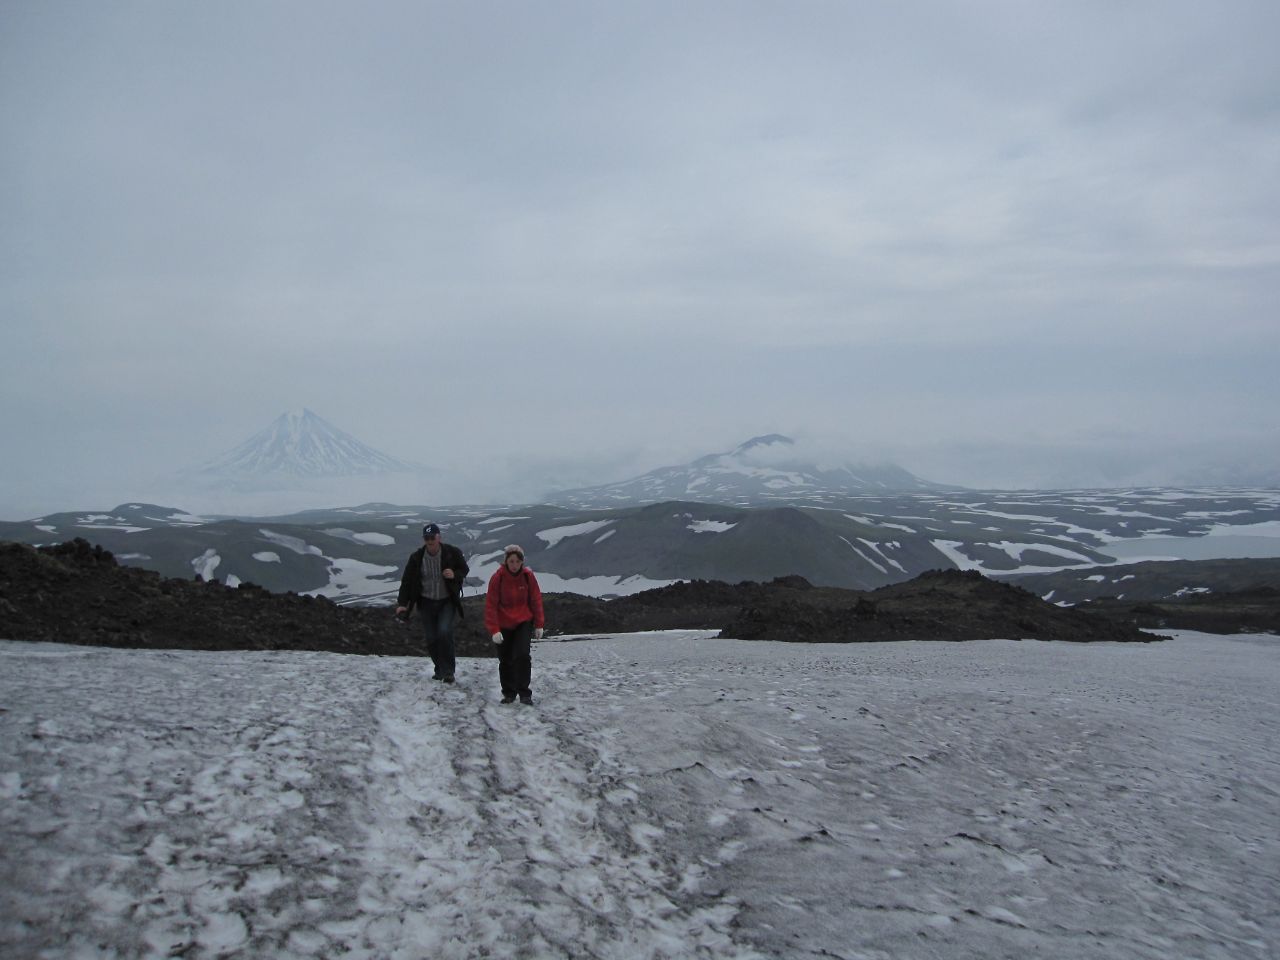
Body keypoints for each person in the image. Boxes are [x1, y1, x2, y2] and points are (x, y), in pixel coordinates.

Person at [396, 523, 470, 683]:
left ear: (439, 537)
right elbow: (407, 581)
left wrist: (454, 574)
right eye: (426, 538)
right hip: (426, 602)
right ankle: (439, 668)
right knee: (431, 637)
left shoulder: (452, 553)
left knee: (444, 632)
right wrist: (403, 603)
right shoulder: (416, 558)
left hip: (447, 601)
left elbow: (464, 569)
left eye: (432, 538)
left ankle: (448, 670)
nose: (430, 541)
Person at [484, 544, 544, 704]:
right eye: (511, 561)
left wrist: (539, 624)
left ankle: (524, 693)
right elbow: (491, 605)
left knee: (523, 655)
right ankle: (509, 693)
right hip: (503, 623)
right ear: (506, 561)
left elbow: (535, 600)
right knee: (505, 659)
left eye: (518, 561)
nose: (515, 564)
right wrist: (494, 630)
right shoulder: (498, 578)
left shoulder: (528, 576)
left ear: (522, 562)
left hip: (523, 620)